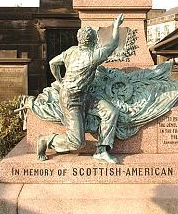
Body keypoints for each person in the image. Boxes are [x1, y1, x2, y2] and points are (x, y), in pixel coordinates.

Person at [37, 14, 124, 164]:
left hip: (84, 95)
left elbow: (53, 63)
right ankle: (46, 140)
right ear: (94, 41)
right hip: (71, 100)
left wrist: (60, 80)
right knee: (77, 143)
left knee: (111, 112)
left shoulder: (72, 50)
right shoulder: (93, 56)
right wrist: (116, 26)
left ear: (80, 40)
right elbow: (114, 43)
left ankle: (101, 150)